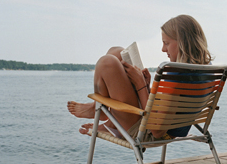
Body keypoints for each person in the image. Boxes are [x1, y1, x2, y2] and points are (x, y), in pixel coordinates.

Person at [67, 14, 212, 139]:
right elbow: (168, 109)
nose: (163, 49)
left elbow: (156, 131)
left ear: (183, 43)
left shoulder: (175, 74)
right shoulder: (206, 72)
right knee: (117, 52)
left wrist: (140, 85)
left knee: (107, 62)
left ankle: (100, 108)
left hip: (146, 132)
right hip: (159, 124)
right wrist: (148, 87)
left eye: (166, 43)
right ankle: (105, 115)